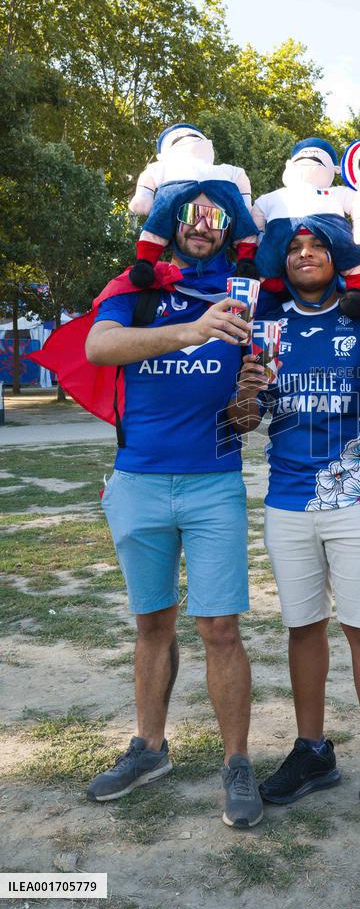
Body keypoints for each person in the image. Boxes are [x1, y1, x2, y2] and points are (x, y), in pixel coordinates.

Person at [225, 221, 360, 831]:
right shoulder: (262, 324)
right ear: (283, 264)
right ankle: (312, 752)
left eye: (317, 248)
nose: (306, 255)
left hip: (359, 496)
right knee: (302, 628)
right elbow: (242, 421)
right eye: (295, 249)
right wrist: (246, 398)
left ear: (337, 259)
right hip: (287, 499)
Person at [84, 184, 265, 828]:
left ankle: (236, 761)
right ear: (170, 223)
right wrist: (189, 328)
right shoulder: (136, 285)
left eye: (215, 220)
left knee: (219, 627)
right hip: (137, 480)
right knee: (151, 624)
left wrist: (252, 400)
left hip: (214, 480)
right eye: (190, 218)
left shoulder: (250, 290)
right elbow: (99, 347)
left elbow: (251, 403)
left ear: (228, 230)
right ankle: (150, 749)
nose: (202, 229)